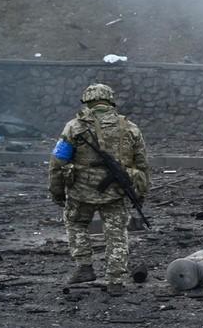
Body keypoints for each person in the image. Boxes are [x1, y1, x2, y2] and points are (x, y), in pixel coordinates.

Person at [48, 83, 149, 295]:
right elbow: (142, 165)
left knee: (76, 223)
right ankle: (115, 281)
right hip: (116, 191)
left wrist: (57, 191)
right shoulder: (130, 128)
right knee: (116, 234)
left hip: (80, 191)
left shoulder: (73, 127)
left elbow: (58, 162)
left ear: (87, 101)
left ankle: (84, 266)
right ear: (110, 101)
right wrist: (140, 194)